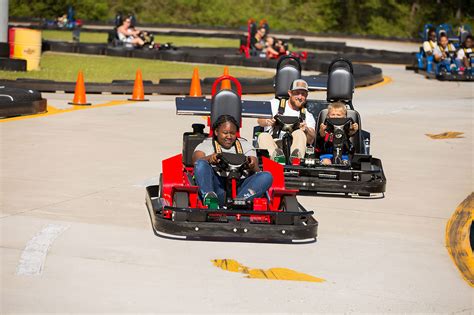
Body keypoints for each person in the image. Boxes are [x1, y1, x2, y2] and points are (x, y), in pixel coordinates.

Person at [193, 115, 273, 207]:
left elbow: (256, 168)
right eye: (225, 133)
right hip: (217, 187)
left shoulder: (245, 145)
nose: (229, 136)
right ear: (216, 132)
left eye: (232, 133)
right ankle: (210, 198)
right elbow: (197, 161)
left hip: (240, 187)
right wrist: (210, 158)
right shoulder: (206, 145)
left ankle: (240, 201)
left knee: (267, 176)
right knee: (201, 164)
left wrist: (251, 163)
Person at [257, 79, 316, 161]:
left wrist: (306, 130)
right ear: (290, 93)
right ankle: (276, 159)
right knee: (263, 136)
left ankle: (295, 159)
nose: (300, 97)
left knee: (299, 133)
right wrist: (267, 121)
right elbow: (260, 120)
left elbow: (311, 140)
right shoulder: (274, 104)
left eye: (303, 94)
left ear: (306, 96)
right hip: (274, 143)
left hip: (294, 145)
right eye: (297, 93)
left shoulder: (308, 115)